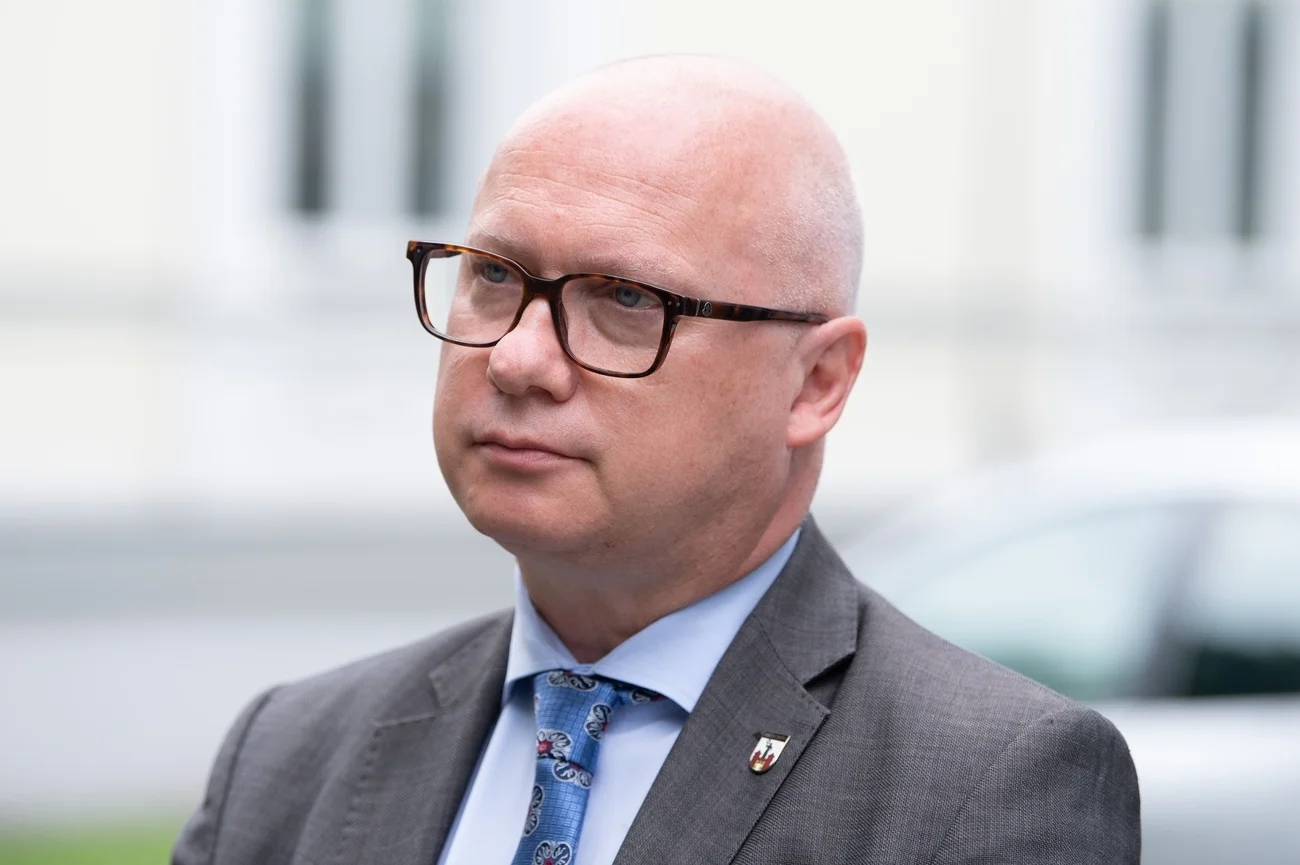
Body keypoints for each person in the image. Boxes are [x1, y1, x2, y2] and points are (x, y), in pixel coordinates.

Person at [172, 55, 1140, 865]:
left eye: (626, 300)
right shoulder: (289, 758)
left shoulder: (988, 786)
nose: (515, 358)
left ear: (815, 383)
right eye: (494, 277)